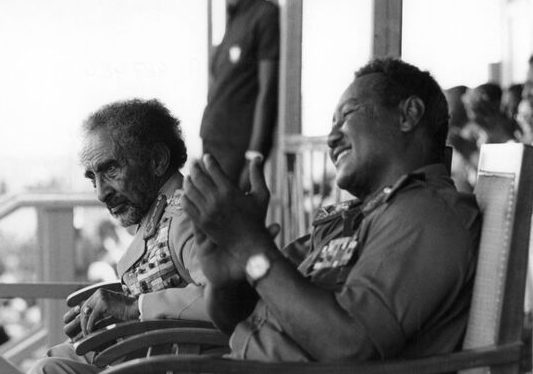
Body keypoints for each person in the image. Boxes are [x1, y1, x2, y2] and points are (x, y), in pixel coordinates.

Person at [183, 58, 481, 362]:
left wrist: (250, 247)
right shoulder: (353, 219)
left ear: (408, 114)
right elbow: (240, 315)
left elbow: (349, 346)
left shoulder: (427, 214)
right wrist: (227, 278)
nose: (331, 138)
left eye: (347, 115)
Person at [28, 99, 207, 374]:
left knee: (49, 369)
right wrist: (121, 301)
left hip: (173, 362)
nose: (100, 193)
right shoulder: (161, 212)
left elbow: (229, 299)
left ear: (157, 160)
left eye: (111, 170)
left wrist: (134, 306)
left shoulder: (187, 217)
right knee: (54, 360)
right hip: (147, 355)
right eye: (92, 178)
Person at [200, 0, 279, 190]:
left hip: (236, 150)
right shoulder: (234, 18)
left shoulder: (265, 15)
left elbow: (268, 91)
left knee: (226, 220)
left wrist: (254, 155)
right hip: (212, 143)